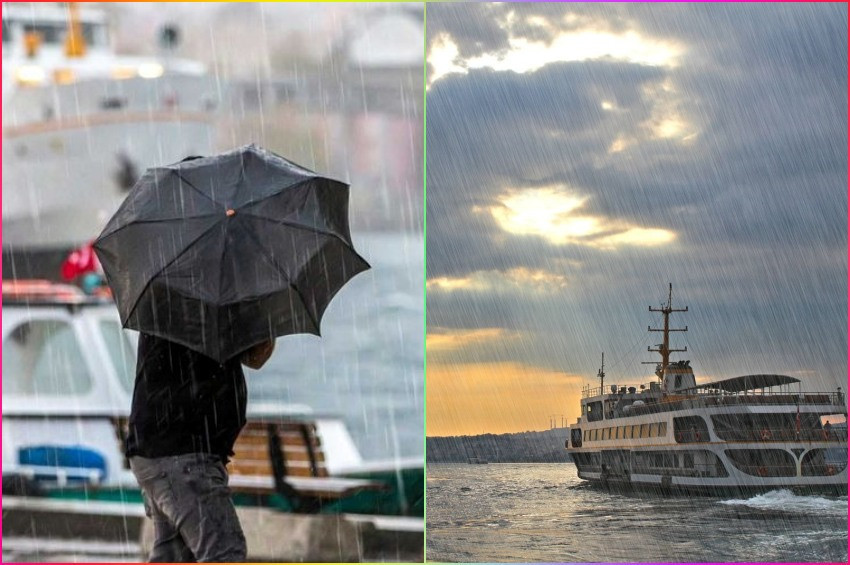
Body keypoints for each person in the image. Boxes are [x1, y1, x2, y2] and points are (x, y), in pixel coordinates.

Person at [126, 334, 275, 562]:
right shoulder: (197, 314)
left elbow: (255, 357)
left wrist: (265, 323)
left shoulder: (211, 318)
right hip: (181, 453)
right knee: (224, 552)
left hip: (168, 450)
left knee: (177, 556)